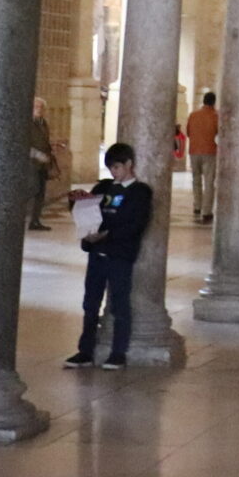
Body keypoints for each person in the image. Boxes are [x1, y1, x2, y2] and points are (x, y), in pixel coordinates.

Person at [65, 143, 152, 370]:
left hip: (119, 256)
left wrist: (107, 234)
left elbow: (135, 225)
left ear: (129, 165)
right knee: (90, 303)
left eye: (117, 167)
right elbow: (88, 213)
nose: (114, 172)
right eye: (111, 168)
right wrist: (75, 203)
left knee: (119, 305)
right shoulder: (103, 188)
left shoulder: (140, 192)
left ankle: (118, 353)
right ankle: (85, 351)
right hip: (97, 255)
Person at [186, 90, 220, 224]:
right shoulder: (215, 116)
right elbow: (219, 133)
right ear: (213, 102)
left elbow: (188, 132)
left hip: (194, 151)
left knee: (196, 180)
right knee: (209, 182)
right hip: (209, 152)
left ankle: (197, 206)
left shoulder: (193, 115)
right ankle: (207, 211)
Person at [27, 96, 57, 231]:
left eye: (41, 107)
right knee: (33, 189)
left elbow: (44, 141)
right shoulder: (27, 124)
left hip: (42, 164)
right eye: (36, 107)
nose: (38, 110)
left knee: (41, 193)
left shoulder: (43, 123)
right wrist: (37, 155)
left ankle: (35, 220)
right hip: (31, 163)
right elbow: (23, 144)